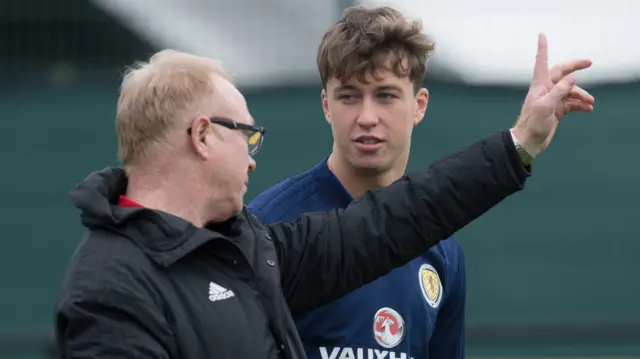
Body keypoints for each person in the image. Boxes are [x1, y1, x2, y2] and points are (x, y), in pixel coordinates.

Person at [54, 29, 593, 359]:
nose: (252, 156)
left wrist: (519, 143)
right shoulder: (110, 286)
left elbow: (393, 221)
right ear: (201, 136)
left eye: (387, 96)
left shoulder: (248, 249)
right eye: (246, 134)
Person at [250, 6, 466, 358]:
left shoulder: (442, 247)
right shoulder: (269, 227)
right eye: (349, 96)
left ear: (419, 105)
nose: (367, 117)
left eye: (385, 95)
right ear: (326, 105)